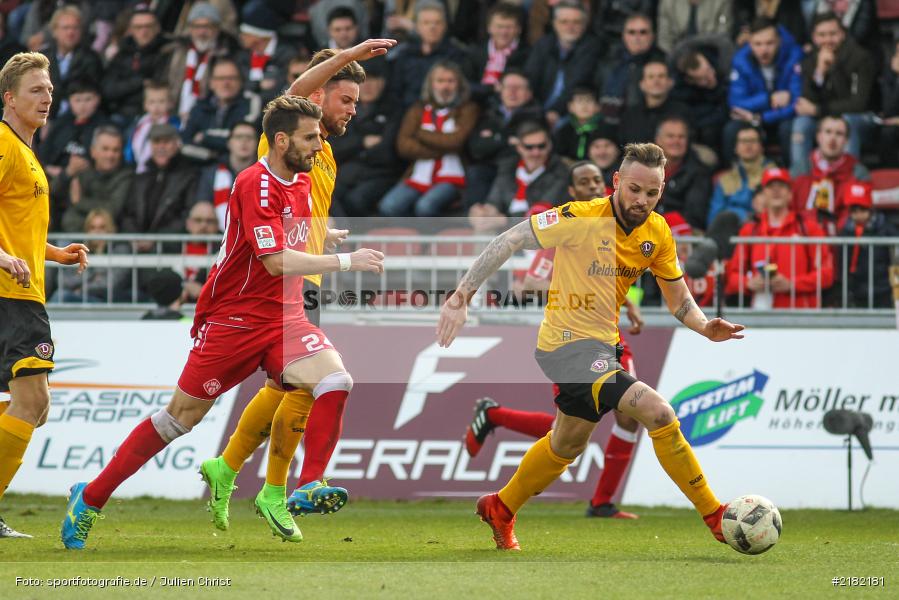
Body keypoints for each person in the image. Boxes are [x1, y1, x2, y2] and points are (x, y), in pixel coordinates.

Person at [61, 96, 386, 549]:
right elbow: (273, 261)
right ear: (281, 139)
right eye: (311, 137)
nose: (319, 145)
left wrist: (321, 233)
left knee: (335, 379)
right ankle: (90, 498)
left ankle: (310, 482)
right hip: (235, 319)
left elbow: (287, 228)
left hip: (284, 318)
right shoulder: (255, 182)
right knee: (178, 420)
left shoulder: (301, 182)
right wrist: (347, 260)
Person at [437, 142, 744, 550]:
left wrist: (704, 326)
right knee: (658, 412)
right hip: (565, 348)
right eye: (635, 189)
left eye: (652, 193)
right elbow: (508, 240)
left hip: (603, 347)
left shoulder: (657, 232)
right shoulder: (579, 216)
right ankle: (715, 515)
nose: (642, 200)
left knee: (566, 444)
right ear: (617, 181)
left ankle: (501, 507)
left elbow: (678, 298)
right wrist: (461, 297)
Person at [199, 40, 398, 531]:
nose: (353, 110)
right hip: (274, 280)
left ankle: (235, 473)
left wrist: (320, 230)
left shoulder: (322, 153)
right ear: (320, 97)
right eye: (346, 99)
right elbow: (295, 90)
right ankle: (274, 486)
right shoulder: (289, 137)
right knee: (307, 383)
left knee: (286, 387)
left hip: (301, 272)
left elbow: (295, 213)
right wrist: (349, 52)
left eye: (356, 102)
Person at [466, 161, 643, 519]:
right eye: (584, 182)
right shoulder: (568, 227)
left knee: (625, 418)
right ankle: (495, 416)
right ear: (573, 193)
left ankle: (602, 503)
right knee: (567, 434)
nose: (594, 186)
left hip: (609, 337)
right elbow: (530, 284)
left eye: (597, 180)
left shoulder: (610, 227)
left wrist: (627, 305)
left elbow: (605, 275)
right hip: (573, 341)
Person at [0, 52, 89, 539]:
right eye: (36, 89)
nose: (47, 97)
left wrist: (55, 253)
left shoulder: (26, 152)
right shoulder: (4, 144)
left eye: (50, 90)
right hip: (12, 295)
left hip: (20, 287)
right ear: (9, 97)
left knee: (29, 403)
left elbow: (16, 228)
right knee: (32, 402)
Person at [726, 167, 834, 309]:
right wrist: (748, 282)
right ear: (763, 195)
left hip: (802, 316)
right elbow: (732, 276)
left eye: (782, 186)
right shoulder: (750, 230)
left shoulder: (809, 229)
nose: (776, 191)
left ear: (790, 194)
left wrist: (792, 284)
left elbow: (827, 274)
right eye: (771, 187)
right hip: (761, 316)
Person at [380, 61, 479, 217]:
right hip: (418, 175)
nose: (445, 87)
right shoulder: (418, 109)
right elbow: (404, 145)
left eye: (450, 81)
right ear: (431, 84)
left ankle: (429, 242)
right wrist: (441, 148)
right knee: (389, 206)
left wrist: (420, 133)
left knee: (425, 206)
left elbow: (455, 141)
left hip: (453, 177)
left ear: (459, 85)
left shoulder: (468, 109)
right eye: (440, 81)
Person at [791, 12, 876, 174]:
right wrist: (820, 72)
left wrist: (834, 68)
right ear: (814, 37)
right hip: (826, 116)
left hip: (862, 118)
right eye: (822, 35)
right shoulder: (810, 59)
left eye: (833, 34)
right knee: (801, 123)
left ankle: (849, 178)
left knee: (845, 123)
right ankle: (799, 180)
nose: (828, 40)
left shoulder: (860, 57)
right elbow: (806, 100)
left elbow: (857, 104)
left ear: (842, 34)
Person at [329, 62, 404, 217]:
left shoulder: (395, 109)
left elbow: (388, 153)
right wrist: (362, 142)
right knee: (324, 192)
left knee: (355, 200)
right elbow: (334, 148)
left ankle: (349, 238)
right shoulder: (343, 109)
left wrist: (353, 150)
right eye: (362, 81)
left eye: (373, 79)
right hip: (348, 172)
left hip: (381, 174)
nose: (367, 86)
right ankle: (341, 238)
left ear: (383, 82)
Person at [725, 18, 802, 166]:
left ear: (779, 41)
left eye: (769, 43)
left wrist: (761, 117)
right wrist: (768, 99)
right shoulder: (741, 60)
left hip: (781, 117)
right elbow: (735, 102)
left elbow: (797, 102)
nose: (764, 50)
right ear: (750, 43)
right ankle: (733, 179)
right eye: (758, 44)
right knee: (730, 130)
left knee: (789, 128)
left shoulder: (794, 56)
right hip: (753, 117)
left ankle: (790, 178)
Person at [464, 69, 544, 209]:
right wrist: (506, 140)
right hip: (487, 167)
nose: (512, 92)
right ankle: (474, 218)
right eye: (508, 87)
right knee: (476, 172)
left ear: (529, 93)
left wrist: (494, 138)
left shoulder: (536, 116)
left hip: (517, 169)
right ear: (500, 90)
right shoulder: (488, 111)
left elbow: (522, 150)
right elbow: (476, 148)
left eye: (518, 88)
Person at [469, 119, 569, 232]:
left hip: (543, 234)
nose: (536, 153)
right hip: (507, 232)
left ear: (549, 146)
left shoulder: (560, 173)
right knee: (482, 226)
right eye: (529, 147)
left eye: (541, 146)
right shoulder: (509, 168)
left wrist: (504, 221)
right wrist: (485, 212)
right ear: (519, 147)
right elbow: (494, 200)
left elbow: (543, 216)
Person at [524, 1, 600, 128]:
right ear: (554, 23)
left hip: (571, 112)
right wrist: (537, 110)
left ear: (585, 25)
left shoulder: (592, 47)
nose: (570, 27)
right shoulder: (543, 44)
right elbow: (530, 79)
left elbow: (578, 82)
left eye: (576, 22)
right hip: (538, 108)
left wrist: (555, 111)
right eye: (564, 22)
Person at [163, 1, 241, 124]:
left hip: (207, 117)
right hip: (172, 114)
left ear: (217, 28)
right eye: (197, 27)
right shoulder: (175, 51)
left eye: (207, 27)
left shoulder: (228, 53)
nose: (202, 32)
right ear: (190, 28)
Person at [792, 115, 869, 235]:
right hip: (802, 240)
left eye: (839, 134)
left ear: (847, 141)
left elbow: (858, 215)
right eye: (828, 132)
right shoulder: (799, 170)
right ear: (818, 136)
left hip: (841, 243)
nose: (833, 138)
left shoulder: (858, 173)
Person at [386, 0, 470, 110]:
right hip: (407, 114)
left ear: (445, 26)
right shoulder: (405, 55)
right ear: (417, 27)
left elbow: (463, 91)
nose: (432, 27)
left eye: (437, 22)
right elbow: (395, 92)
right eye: (426, 23)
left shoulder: (457, 55)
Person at [119, 123, 199, 238]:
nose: (161, 147)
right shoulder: (140, 178)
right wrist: (136, 238)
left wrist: (156, 240)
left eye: (166, 142)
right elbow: (128, 214)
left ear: (177, 144)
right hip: (136, 245)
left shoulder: (189, 176)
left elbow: (187, 215)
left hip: (171, 246)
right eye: (156, 142)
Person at [180, 57, 262, 162]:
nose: (226, 83)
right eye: (220, 78)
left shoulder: (252, 102)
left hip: (242, 167)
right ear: (211, 83)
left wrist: (205, 136)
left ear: (240, 81)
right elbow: (184, 144)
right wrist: (211, 155)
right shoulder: (199, 107)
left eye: (231, 78)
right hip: (203, 168)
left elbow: (245, 136)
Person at [594, 12, 666, 126]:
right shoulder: (608, 60)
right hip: (606, 124)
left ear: (652, 36)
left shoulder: (662, 63)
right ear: (624, 36)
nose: (637, 38)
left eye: (643, 32)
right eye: (631, 32)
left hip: (643, 126)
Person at [101, 6, 170, 123]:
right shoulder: (122, 52)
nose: (144, 31)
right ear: (131, 29)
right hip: (116, 112)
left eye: (148, 26)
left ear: (157, 28)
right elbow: (107, 90)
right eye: (138, 27)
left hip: (148, 116)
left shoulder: (167, 52)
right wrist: (139, 81)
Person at [61, 126, 134, 234]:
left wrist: (79, 202)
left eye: (116, 150)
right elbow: (51, 193)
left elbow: (112, 209)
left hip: (113, 242)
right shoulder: (82, 173)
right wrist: (66, 174)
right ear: (93, 151)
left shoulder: (127, 176)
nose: (110, 155)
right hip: (77, 236)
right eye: (105, 149)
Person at [836, 182, 897, 308]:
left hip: (883, 291)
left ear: (870, 209)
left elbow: (895, 262)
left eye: (862, 210)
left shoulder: (886, 230)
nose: (858, 215)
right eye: (854, 211)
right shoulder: (845, 232)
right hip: (855, 292)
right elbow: (842, 264)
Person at [41, 5, 103, 119]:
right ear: (54, 31)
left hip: (76, 117)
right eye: (66, 28)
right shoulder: (42, 58)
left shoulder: (91, 58)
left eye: (75, 28)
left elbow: (84, 92)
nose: (70, 33)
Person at [707, 124, 774, 226]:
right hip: (729, 232)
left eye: (752, 141)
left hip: (762, 232)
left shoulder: (773, 175)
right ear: (735, 148)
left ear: (761, 147)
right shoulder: (724, 179)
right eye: (743, 141)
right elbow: (713, 218)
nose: (748, 145)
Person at [196, 121, 259, 229]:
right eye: (239, 137)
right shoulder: (211, 173)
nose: (244, 142)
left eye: (249, 137)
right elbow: (203, 206)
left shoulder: (267, 174)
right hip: (218, 238)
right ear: (229, 143)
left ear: (257, 143)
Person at [655, 116, 713, 231]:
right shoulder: (643, 168)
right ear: (658, 140)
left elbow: (695, 215)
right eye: (670, 136)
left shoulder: (699, 172)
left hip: (683, 235)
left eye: (681, 137)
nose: (676, 141)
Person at [466, 3, 529, 101]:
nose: (504, 32)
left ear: (518, 29)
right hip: (477, 102)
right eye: (499, 26)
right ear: (489, 28)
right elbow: (466, 83)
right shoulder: (476, 51)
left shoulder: (528, 54)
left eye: (509, 27)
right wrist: (491, 89)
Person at [618, 61, 691, 146]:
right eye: (651, 77)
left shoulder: (683, 112)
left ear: (670, 82)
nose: (656, 81)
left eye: (661, 76)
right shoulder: (630, 115)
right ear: (642, 84)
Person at [125, 80, 180, 174]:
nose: (156, 107)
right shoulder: (140, 124)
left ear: (170, 103)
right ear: (145, 105)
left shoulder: (174, 125)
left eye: (161, 102)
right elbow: (130, 148)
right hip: (138, 171)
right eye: (152, 102)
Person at [656, 0, 734, 54]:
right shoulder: (668, 2)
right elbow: (664, 38)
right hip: (677, 55)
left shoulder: (722, 2)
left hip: (711, 52)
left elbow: (723, 34)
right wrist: (675, 57)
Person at [554, 87, 602, 161]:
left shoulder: (604, 130)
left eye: (589, 101)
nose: (584, 105)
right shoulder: (564, 130)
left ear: (597, 107)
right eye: (579, 101)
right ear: (570, 107)